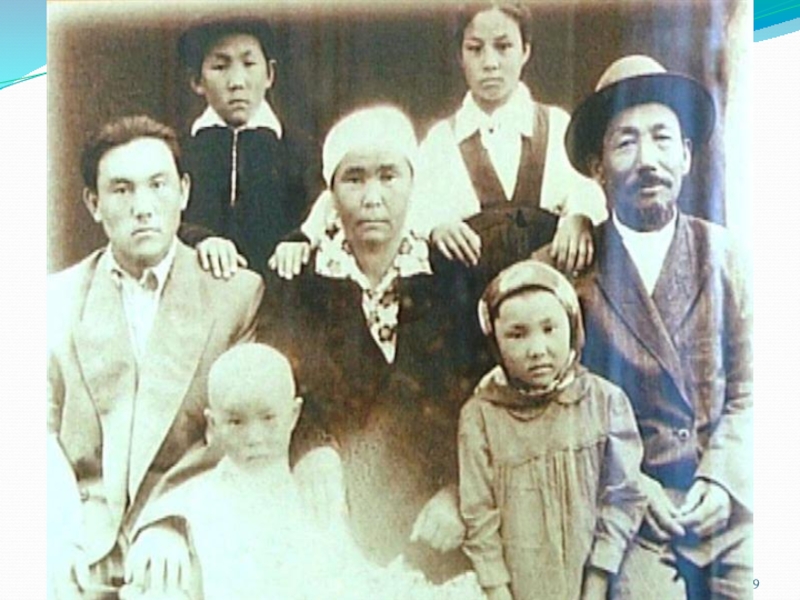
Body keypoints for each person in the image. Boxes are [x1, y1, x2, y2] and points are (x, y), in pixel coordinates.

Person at [257, 105, 482, 582]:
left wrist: (459, 492)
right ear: (331, 192)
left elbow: (485, 400)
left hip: (436, 527)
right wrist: (309, 447)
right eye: (354, 179)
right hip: (330, 521)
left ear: (412, 183)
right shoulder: (298, 283)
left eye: (388, 176)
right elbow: (272, 393)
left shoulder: (453, 277)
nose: (372, 197)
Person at [46, 115, 264, 599]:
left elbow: (235, 436)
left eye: (157, 185)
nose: (143, 207)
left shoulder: (234, 296)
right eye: (121, 189)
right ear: (93, 204)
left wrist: (174, 521)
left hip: (184, 522)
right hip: (80, 521)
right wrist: (61, 530)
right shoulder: (54, 301)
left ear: (183, 192)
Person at [563, 55, 753, 599]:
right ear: (598, 167)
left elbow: (754, 387)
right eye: (625, 143)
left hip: (725, 501)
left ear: (686, 156)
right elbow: (561, 409)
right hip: (632, 512)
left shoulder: (727, 257)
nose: (648, 160)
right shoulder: (572, 272)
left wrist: (722, 477)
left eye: (662, 139)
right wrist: (633, 486)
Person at [269, 1, 605, 279]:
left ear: (525, 50)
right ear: (460, 56)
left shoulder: (557, 126)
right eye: (475, 49)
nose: (490, 63)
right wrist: (435, 226)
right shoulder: (441, 141)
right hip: (469, 303)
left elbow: (588, 189)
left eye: (504, 47)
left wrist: (580, 217)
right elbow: (393, 202)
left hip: (550, 302)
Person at [459, 259, 646, 600]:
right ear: (495, 340)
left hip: (600, 579)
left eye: (549, 329)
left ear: (572, 328)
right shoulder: (480, 417)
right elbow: (479, 516)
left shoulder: (606, 402)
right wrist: (499, 592)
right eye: (517, 334)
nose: (537, 350)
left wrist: (596, 585)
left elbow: (623, 498)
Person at [177, 19, 323, 278]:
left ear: (269, 75)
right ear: (197, 81)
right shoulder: (179, 151)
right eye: (220, 67)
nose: (237, 82)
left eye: (249, 64)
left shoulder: (302, 151)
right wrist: (198, 238)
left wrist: (300, 239)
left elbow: (322, 210)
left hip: (283, 289)